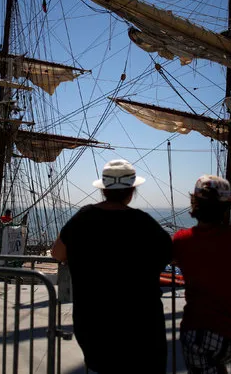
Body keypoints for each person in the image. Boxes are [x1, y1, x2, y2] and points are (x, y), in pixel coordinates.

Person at [51, 159, 172, 374]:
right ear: (132, 191)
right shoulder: (144, 223)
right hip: (142, 324)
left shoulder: (82, 219)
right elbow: (167, 254)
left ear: (104, 190)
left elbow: (58, 253)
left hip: (94, 323)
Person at [172, 174, 231, 374]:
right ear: (227, 204)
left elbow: (172, 259)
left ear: (194, 203)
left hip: (199, 331)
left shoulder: (181, 240)